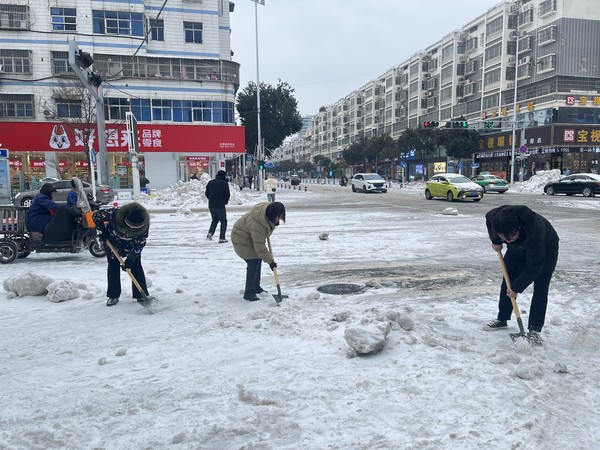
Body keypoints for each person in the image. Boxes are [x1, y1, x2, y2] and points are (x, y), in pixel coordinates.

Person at [484, 205, 559, 338]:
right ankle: (502, 318)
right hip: (517, 249)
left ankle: (534, 330)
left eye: (511, 236)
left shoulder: (535, 232)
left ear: (518, 227)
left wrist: (517, 288)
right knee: (508, 280)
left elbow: (534, 266)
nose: (507, 241)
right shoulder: (497, 218)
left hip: (546, 248)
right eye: (504, 238)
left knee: (541, 285)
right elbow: (488, 218)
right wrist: (496, 240)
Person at [92, 202, 151, 307]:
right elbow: (95, 216)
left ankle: (141, 294)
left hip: (131, 244)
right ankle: (113, 295)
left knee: (136, 265)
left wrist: (130, 260)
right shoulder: (112, 214)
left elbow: (140, 244)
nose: (133, 230)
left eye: (136, 229)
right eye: (131, 227)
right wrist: (102, 232)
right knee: (113, 266)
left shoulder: (145, 225)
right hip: (112, 242)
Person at [231, 202, 285, 301]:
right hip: (241, 240)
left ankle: (256, 286)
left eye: (280, 216)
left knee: (258, 259)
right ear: (272, 214)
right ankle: (249, 292)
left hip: (248, 237)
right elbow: (260, 246)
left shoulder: (266, 213)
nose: (279, 219)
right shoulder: (258, 225)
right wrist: (271, 262)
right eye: (277, 217)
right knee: (253, 262)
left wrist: (273, 223)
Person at [205, 170, 231, 243]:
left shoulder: (210, 182)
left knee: (214, 220)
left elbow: (206, 193)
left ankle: (210, 233)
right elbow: (227, 194)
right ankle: (222, 238)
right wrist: (225, 201)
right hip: (220, 205)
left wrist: (211, 199)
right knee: (223, 221)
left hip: (211, 205)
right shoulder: (224, 183)